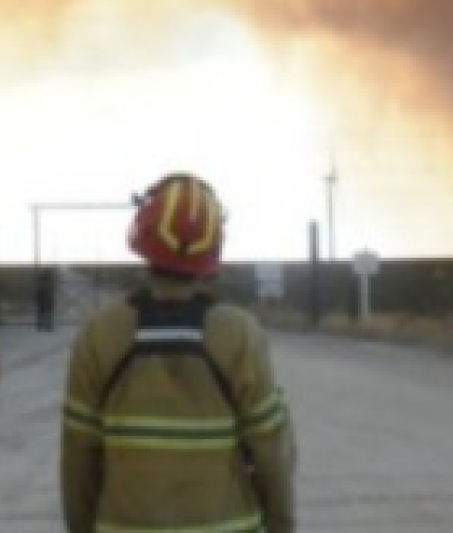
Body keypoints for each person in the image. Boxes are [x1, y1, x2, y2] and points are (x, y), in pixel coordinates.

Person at [60, 173, 297, 533]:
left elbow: (78, 459)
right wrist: (282, 525)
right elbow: (272, 453)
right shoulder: (241, 336)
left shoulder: (99, 335)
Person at [35, 266, 58, 332]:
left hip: (42, 301)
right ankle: (48, 326)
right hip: (48, 301)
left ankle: (39, 326)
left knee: (41, 314)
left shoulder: (41, 283)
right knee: (48, 314)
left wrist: (38, 300)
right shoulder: (50, 283)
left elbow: (38, 292)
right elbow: (52, 292)